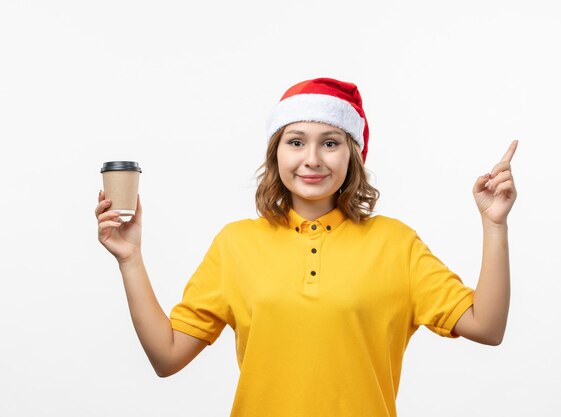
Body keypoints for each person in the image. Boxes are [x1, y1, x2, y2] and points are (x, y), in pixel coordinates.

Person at [95, 77, 518, 417]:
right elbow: (166, 357)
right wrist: (130, 259)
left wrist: (494, 224)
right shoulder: (236, 244)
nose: (312, 158)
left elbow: (487, 327)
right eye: (296, 142)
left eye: (330, 143)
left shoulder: (396, 244)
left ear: (351, 154)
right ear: (276, 153)